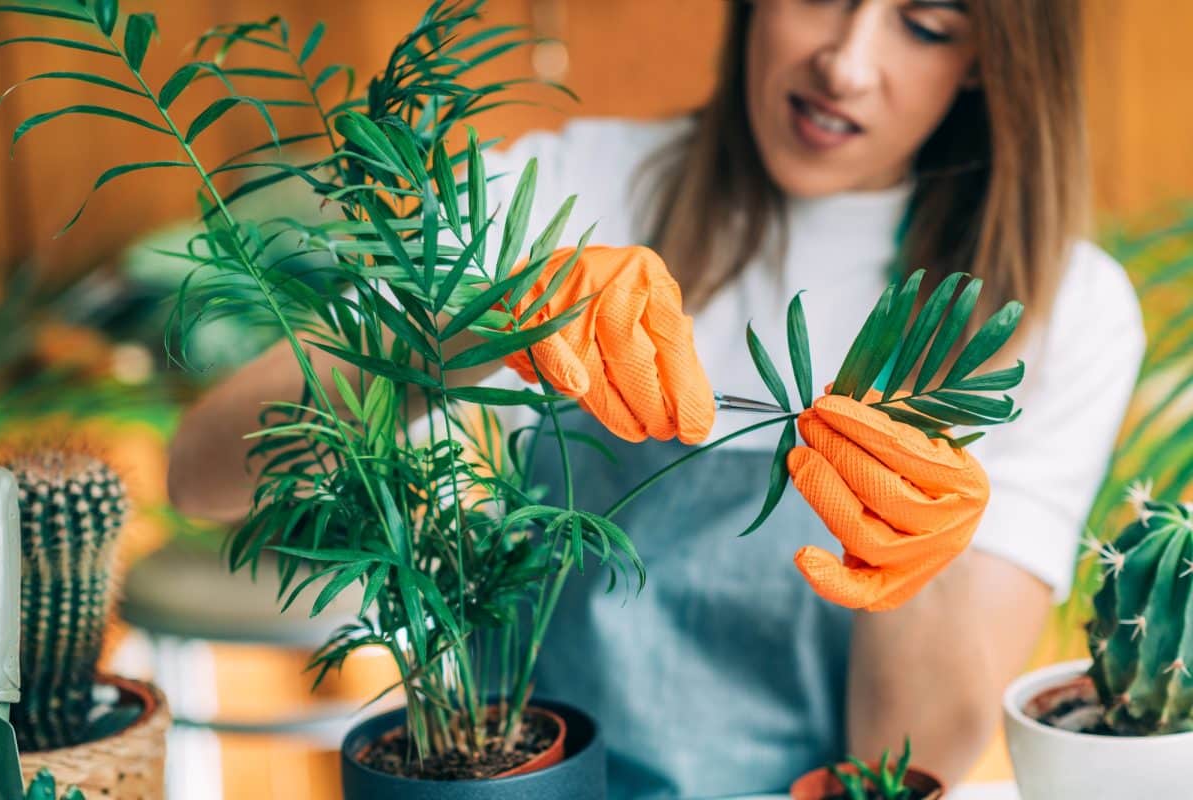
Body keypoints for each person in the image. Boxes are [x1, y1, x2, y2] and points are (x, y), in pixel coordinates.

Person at [168, 0, 1145, 796]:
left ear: (990, 54)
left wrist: (905, 549)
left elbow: (913, 757)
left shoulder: (1056, 308)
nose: (846, 64)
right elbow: (202, 471)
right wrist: (486, 315)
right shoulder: (574, 186)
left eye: (925, 24)